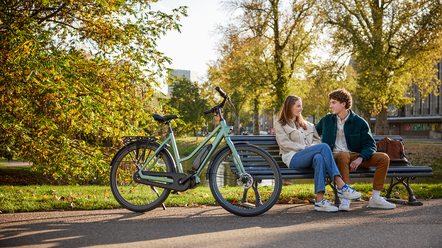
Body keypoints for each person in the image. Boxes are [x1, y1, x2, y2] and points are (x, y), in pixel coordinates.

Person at [275, 95, 361, 213]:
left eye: (301, 106)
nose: (301, 109)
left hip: (310, 158)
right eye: (298, 106)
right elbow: (284, 143)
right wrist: (304, 147)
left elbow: (317, 141)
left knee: (319, 157)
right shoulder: (281, 124)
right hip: (293, 158)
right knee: (324, 147)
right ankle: (340, 184)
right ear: (289, 107)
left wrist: (312, 147)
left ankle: (319, 201)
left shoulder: (308, 125)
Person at [315, 89, 396, 210]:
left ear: (343, 104)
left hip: (355, 156)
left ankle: (375, 198)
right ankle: (345, 199)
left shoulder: (359, 122)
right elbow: (313, 134)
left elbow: (370, 144)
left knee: (383, 158)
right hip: (335, 157)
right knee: (343, 155)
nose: (330, 106)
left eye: (333, 102)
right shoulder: (326, 120)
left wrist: (360, 158)